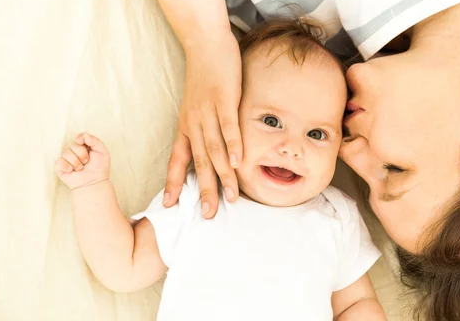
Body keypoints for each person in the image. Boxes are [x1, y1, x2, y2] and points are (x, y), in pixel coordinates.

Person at [111, 0, 460, 319]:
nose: (348, 152)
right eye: (393, 170)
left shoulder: (299, 59)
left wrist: (206, 39)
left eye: (367, 185)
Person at [54, 20, 387, 321]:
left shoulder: (337, 217)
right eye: (271, 122)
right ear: (223, 120)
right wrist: (92, 187)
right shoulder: (198, 199)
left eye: (317, 134)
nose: (292, 146)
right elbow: (123, 267)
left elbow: (356, 305)